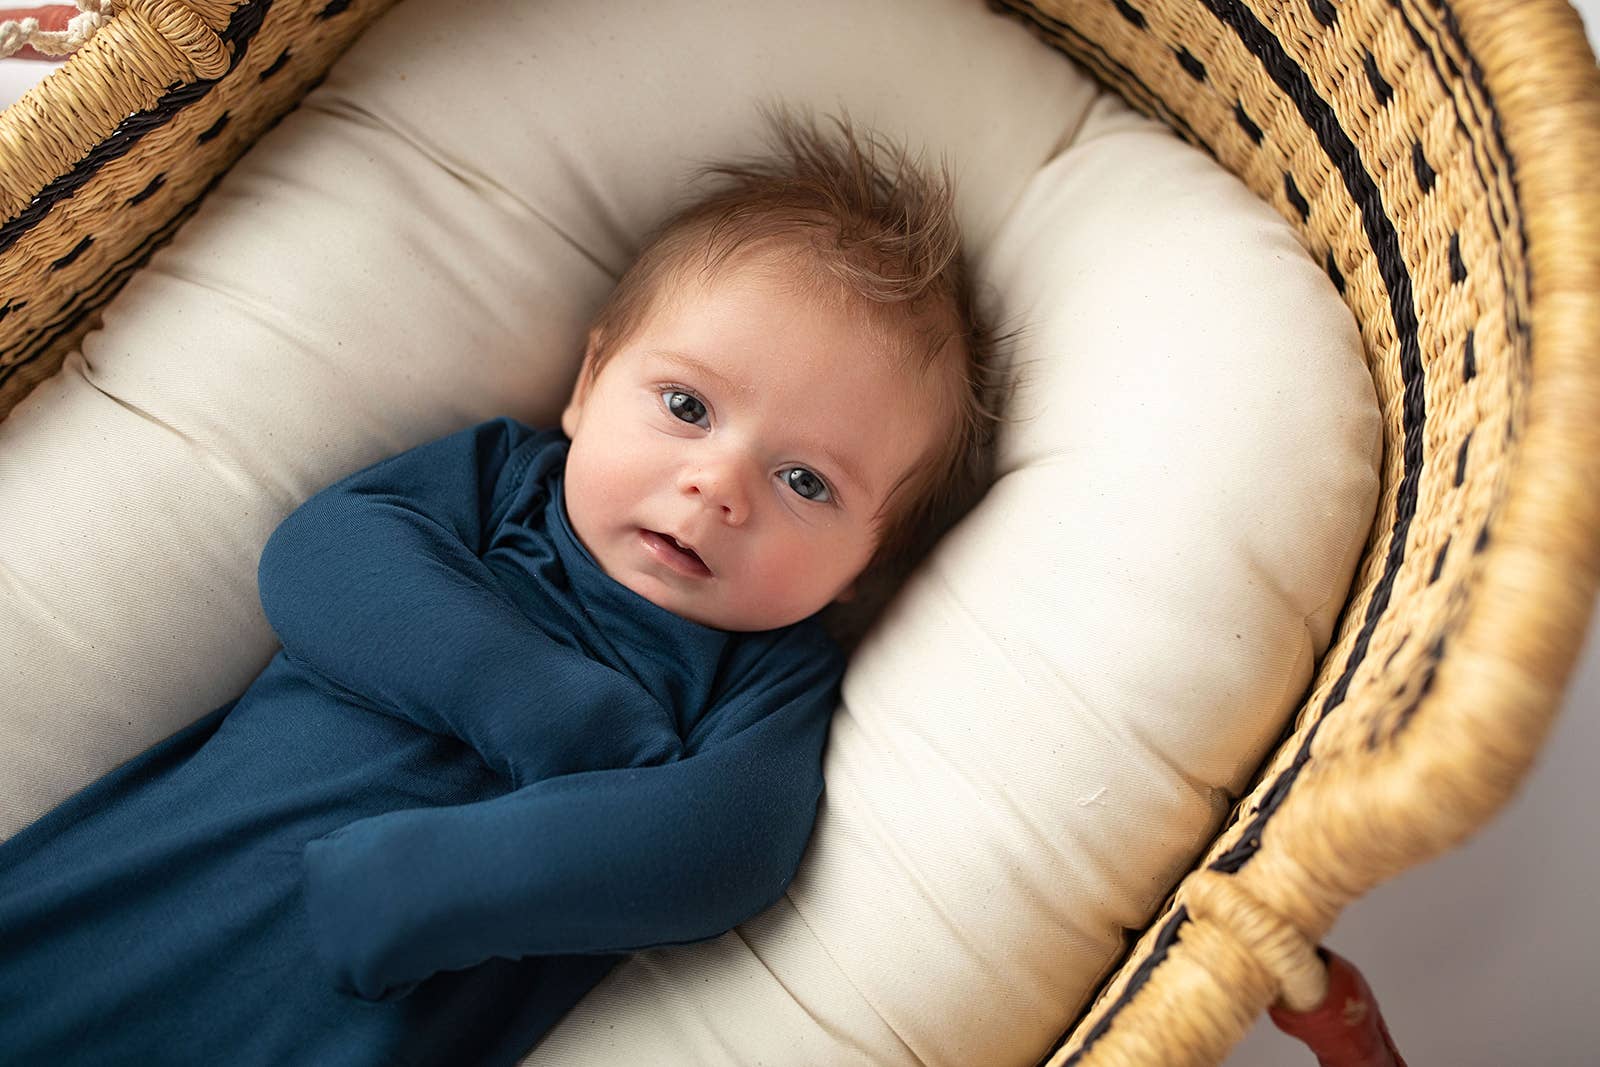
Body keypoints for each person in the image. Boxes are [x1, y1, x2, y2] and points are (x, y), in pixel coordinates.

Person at [0, 109, 1004, 1065]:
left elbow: (725, 846)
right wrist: (557, 712)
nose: (719, 485)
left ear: (866, 564)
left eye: (805, 481)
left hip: (352, 996)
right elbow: (323, 560)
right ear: (588, 383)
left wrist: (441, 882)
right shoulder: (503, 485)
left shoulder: (770, 672)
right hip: (159, 875)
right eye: (688, 405)